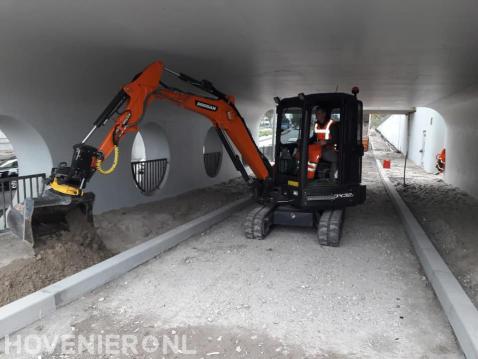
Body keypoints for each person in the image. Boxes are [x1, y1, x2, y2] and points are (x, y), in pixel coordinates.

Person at [307, 107, 338, 180]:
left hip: (329, 148)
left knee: (338, 158)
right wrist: (304, 140)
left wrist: (326, 142)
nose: (317, 115)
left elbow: (336, 139)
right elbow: (314, 138)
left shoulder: (332, 124)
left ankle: (331, 177)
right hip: (318, 148)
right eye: (316, 113)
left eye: (319, 113)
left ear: (324, 114)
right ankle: (310, 176)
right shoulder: (316, 125)